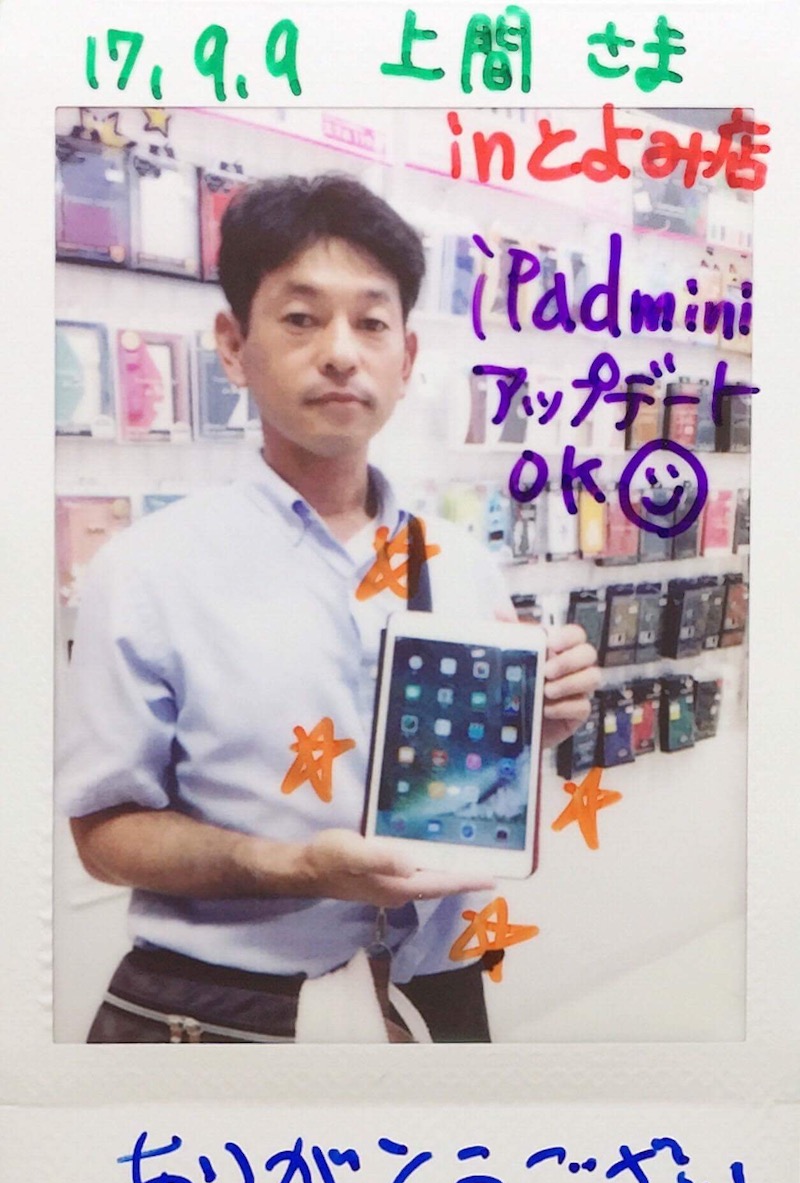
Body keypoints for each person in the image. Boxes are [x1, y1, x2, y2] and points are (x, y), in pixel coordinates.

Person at [59, 174, 599, 1044]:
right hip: (226, 1014)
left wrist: (529, 730)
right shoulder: (147, 571)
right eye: (302, 318)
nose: (342, 352)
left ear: (407, 359)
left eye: (372, 323)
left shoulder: (463, 565)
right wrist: (293, 866)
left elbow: (466, 785)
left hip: (436, 997)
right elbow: (104, 833)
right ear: (233, 346)